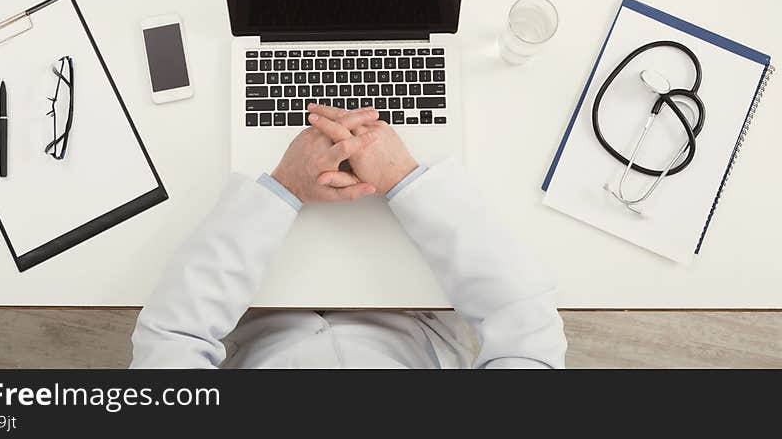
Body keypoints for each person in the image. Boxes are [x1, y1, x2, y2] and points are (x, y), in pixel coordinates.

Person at [131, 104, 567, 369]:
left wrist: (281, 189)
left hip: (255, 315)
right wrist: (407, 181)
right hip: (416, 317)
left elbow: (171, 343)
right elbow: (530, 335)